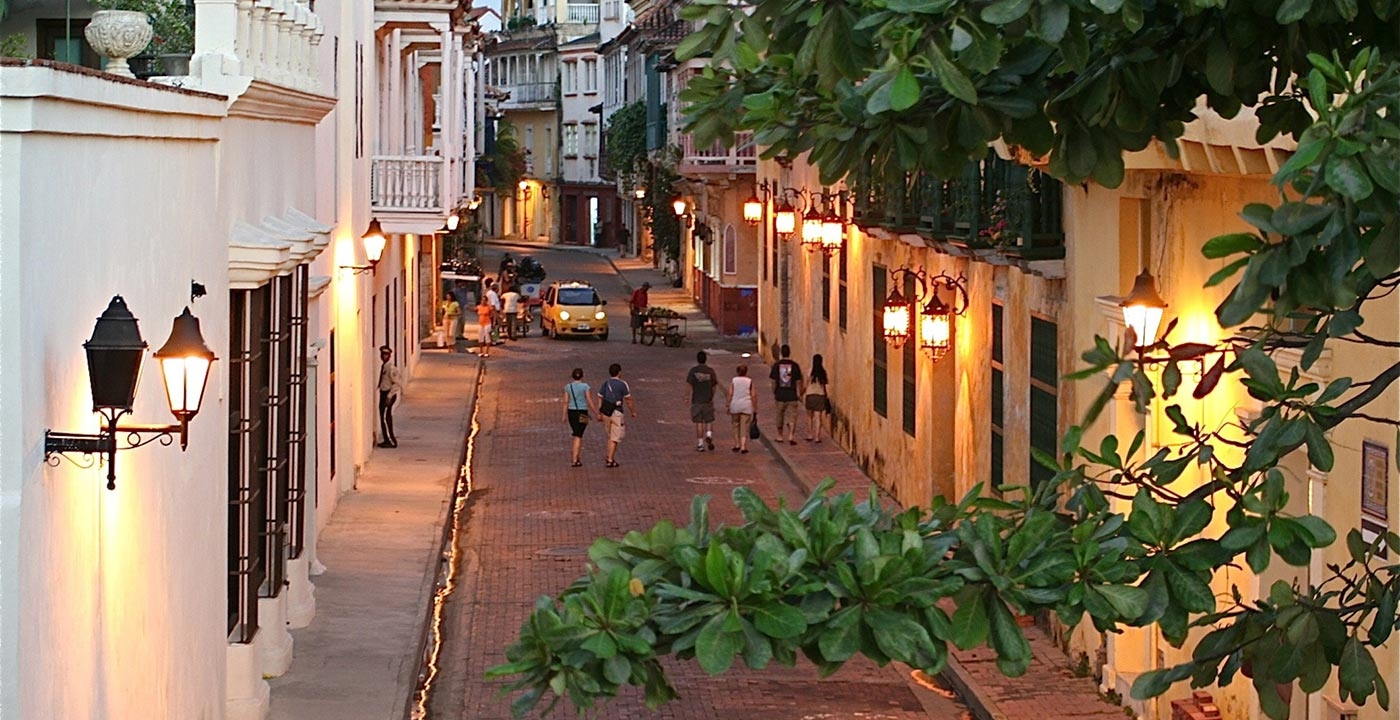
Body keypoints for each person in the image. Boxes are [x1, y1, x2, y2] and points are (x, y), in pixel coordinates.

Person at [596, 363, 637, 468]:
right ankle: (610, 459)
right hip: (616, 412)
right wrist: (633, 411)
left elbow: (600, 397)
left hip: (606, 412)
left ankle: (610, 456)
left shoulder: (605, 383)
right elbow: (628, 400)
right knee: (615, 437)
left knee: (610, 435)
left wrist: (599, 411)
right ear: (619, 372)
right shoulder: (623, 384)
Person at [769, 344, 804, 446]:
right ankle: (791, 436)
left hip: (780, 395)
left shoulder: (776, 365)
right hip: (792, 395)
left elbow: (773, 381)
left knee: (780, 415)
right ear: (789, 352)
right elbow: (798, 381)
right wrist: (798, 393)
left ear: (781, 353)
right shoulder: (795, 365)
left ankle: (780, 436)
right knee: (792, 416)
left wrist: (774, 391)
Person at [563, 367, 598, 467]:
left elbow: (565, 402)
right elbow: (589, 400)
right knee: (579, 435)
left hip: (571, 412)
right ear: (582, 376)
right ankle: (575, 459)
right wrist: (596, 413)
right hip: (583, 412)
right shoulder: (585, 386)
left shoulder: (568, 387)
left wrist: (564, 415)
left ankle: (576, 457)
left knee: (576, 434)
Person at [685, 350, 719, 451]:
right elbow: (714, 385)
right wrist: (711, 395)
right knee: (709, 420)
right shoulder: (710, 371)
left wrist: (686, 396)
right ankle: (709, 434)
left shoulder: (693, 371)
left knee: (699, 422)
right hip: (708, 400)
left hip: (697, 400)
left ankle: (700, 444)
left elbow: (689, 385)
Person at [727, 364, 757, 453]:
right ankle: (743, 446)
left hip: (735, 405)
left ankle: (736, 444)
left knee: (735, 425)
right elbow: (753, 395)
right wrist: (755, 407)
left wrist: (728, 404)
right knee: (744, 426)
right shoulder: (749, 381)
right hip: (746, 405)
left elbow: (730, 393)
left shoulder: (734, 380)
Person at [377, 345, 403, 448]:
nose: (384, 356)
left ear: (390, 355)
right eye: (383, 354)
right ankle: (386, 439)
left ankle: (391, 441)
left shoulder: (391, 368)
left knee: (385, 417)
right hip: (383, 393)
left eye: (386, 354)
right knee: (383, 417)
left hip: (388, 394)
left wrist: (389, 396)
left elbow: (397, 383)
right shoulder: (384, 366)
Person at [805, 353, 830, 443]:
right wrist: (826, 396)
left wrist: (802, 392)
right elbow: (824, 386)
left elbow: (806, 384)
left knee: (809, 416)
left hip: (810, 395)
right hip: (820, 395)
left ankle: (810, 434)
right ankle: (817, 437)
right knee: (818, 417)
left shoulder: (809, 371)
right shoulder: (823, 372)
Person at [484, 278, 503, 345]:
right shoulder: (493, 294)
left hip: (491, 311)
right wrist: (496, 314)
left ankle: (494, 339)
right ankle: (494, 339)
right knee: (494, 325)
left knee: (493, 325)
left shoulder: (489, 293)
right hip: (493, 311)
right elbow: (493, 305)